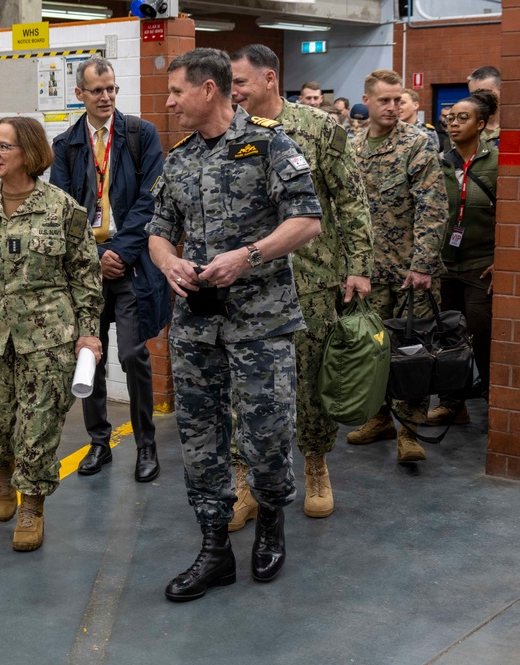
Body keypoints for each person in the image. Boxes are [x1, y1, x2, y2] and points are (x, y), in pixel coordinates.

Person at [148, 48, 322, 601]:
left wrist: (248, 254)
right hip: (197, 326)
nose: (170, 102)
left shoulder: (269, 145)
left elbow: (307, 220)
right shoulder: (176, 161)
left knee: (267, 436)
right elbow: (157, 229)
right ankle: (213, 548)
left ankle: (271, 522)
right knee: (200, 439)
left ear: (208, 90)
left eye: (177, 91)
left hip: (261, 323)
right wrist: (167, 261)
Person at [0, 117, 103, 553]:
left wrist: (89, 334)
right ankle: (1, 470)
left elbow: (85, 276)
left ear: (29, 153)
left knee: (39, 426)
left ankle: (32, 504)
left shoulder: (64, 209)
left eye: (4, 146)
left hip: (48, 337)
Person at [229, 44, 373, 521]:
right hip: (249, 282)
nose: (235, 92)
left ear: (270, 79)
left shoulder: (320, 129)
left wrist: (358, 266)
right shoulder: (230, 132)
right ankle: (244, 481)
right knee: (245, 385)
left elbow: (350, 201)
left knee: (311, 380)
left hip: (311, 278)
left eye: (241, 83)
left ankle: (315, 465)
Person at [50, 57, 170, 482]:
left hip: (132, 266)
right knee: (89, 356)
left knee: (133, 354)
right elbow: (62, 208)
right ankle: (99, 443)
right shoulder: (66, 146)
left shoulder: (141, 135)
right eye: (97, 91)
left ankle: (146, 446)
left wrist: (119, 250)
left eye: (112, 89)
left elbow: (152, 200)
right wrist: (93, 255)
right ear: (79, 95)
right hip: (87, 268)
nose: (106, 97)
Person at [347, 70, 448, 462]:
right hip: (369, 273)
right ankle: (379, 418)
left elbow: (433, 208)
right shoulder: (353, 148)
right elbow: (346, 213)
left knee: (412, 352)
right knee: (372, 351)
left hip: (410, 275)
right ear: (367, 101)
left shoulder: (416, 145)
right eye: (384, 100)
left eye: (397, 100)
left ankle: (409, 431)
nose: (392, 107)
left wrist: (422, 265)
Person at [427, 90, 499, 426]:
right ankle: (452, 403)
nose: (454, 123)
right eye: (451, 118)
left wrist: (504, 260)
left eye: (463, 118)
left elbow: (515, 216)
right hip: (446, 264)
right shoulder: (440, 162)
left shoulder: (497, 163)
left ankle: (493, 400)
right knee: (447, 335)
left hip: (481, 265)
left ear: (481, 124)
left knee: (482, 333)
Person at [467, 66, 501, 146]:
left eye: (485, 92)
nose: (479, 98)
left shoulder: (516, 127)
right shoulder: (466, 130)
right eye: (474, 94)